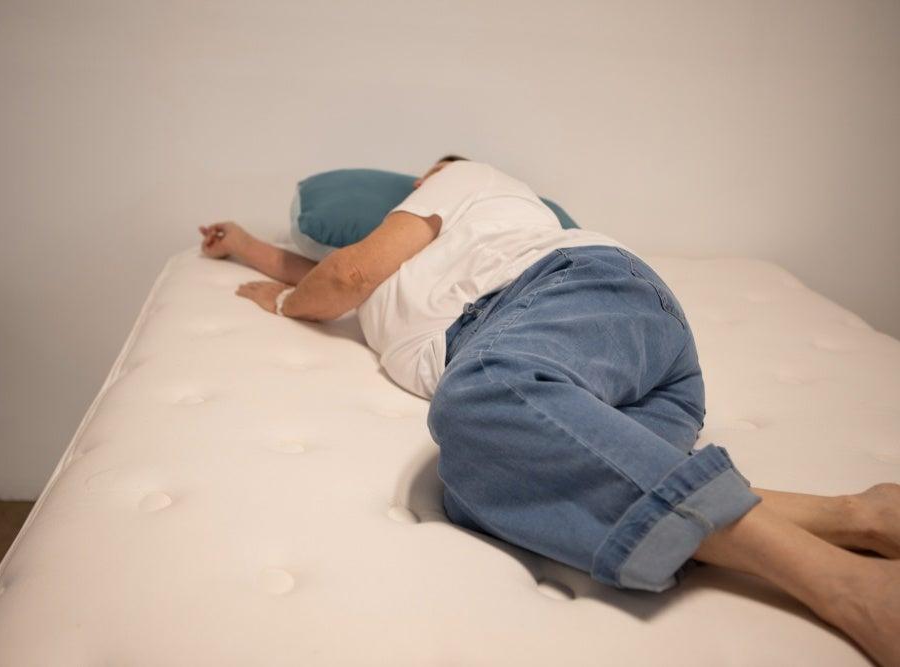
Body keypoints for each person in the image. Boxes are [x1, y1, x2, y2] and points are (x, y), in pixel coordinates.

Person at [198, 156, 900, 666]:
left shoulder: (463, 182)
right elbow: (333, 272)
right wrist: (245, 250)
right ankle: (856, 515)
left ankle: (843, 582)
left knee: (480, 396)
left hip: (572, 300)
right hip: (613, 385)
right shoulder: (404, 269)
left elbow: (342, 278)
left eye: (415, 187)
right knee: (481, 491)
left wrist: (289, 306)